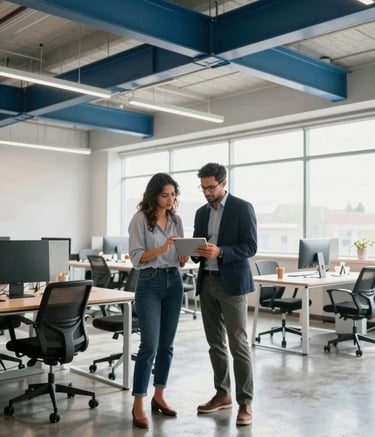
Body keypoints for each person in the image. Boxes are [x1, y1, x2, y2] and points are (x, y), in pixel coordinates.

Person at [192, 162, 257, 427]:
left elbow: (251, 246)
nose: (207, 192)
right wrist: (192, 251)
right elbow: (198, 244)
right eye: (203, 188)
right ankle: (222, 394)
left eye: (211, 187)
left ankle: (245, 402)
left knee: (238, 344)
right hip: (206, 282)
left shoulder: (242, 208)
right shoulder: (200, 213)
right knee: (215, 344)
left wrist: (222, 252)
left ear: (223, 183)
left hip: (232, 284)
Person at [128, 172, 189, 429]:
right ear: (154, 195)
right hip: (149, 283)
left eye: (173, 194)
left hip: (174, 282)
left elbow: (181, 254)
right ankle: (138, 401)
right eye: (165, 195)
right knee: (149, 345)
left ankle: (159, 396)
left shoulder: (176, 220)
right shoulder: (140, 219)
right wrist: (164, 248)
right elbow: (136, 257)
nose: (170, 199)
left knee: (167, 345)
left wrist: (184, 255)